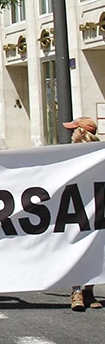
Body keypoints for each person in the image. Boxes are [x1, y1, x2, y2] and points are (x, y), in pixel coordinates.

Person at [65, 117, 102, 311]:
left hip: (95, 206)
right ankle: (76, 291)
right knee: (76, 245)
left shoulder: (98, 155)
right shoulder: (67, 154)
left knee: (93, 247)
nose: (71, 134)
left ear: (82, 132)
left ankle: (88, 290)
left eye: (74, 130)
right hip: (74, 208)